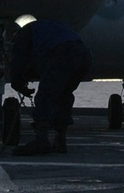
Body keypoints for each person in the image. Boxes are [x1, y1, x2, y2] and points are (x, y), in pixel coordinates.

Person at [7, 19, 93, 155]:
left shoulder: (24, 34)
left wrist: (17, 82)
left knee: (45, 96)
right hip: (84, 55)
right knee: (64, 95)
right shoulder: (49, 27)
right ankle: (60, 140)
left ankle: (42, 139)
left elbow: (19, 60)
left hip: (63, 53)